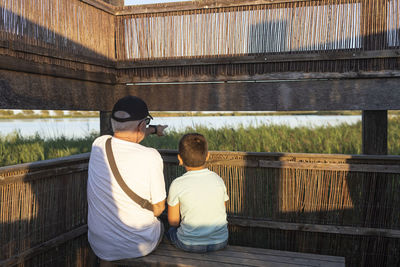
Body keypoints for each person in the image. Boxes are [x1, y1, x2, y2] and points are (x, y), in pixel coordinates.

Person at [87, 95, 168, 264]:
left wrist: (153, 129)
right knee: (160, 224)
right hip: (137, 245)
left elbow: (126, 133)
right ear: (141, 125)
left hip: (100, 244)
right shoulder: (151, 156)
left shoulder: (99, 145)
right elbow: (159, 208)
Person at [166, 133, 229, 253]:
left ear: (180, 158)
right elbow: (223, 209)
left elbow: (173, 221)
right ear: (207, 156)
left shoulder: (177, 184)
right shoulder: (218, 179)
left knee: (170, 231)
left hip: (188, 244)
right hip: (220, 242)